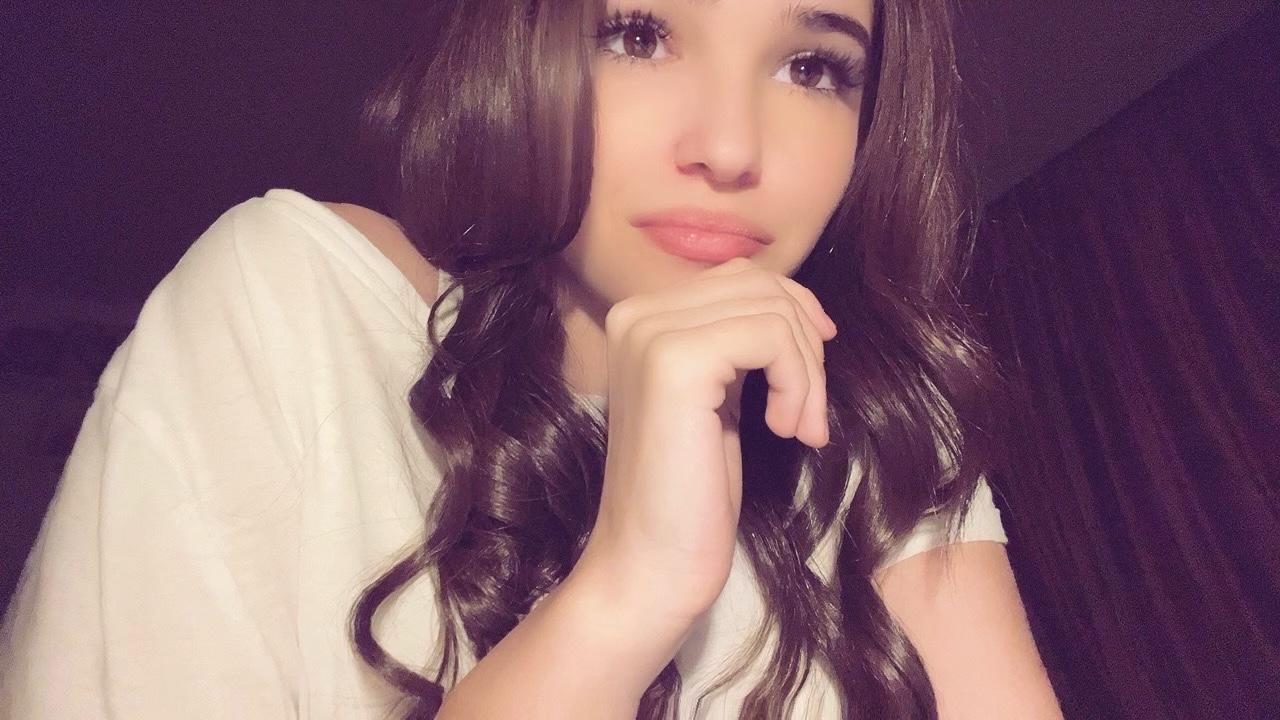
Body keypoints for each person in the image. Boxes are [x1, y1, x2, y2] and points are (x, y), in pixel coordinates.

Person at [0, 0, 1064, 718]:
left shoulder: (883, 437)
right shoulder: (302, 301)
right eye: (639, 32)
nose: (731, 147)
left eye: (811, 66)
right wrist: (629, 588)